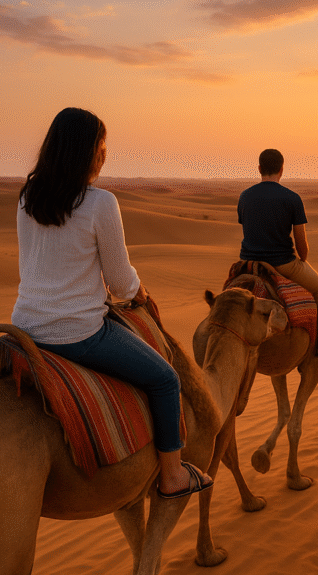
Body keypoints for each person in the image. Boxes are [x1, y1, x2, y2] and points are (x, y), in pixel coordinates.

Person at [11, 107, 213, 498]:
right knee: (166, 379)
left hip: (25, 327)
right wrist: (140, 291)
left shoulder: (28, 198)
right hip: (79, 333)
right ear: (85, 152)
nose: (105, 155)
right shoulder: (100, 203)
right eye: (101, 146)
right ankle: (172, 476)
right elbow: (120, 282)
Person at [237, 148, 318, 357]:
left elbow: (248, 228)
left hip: (247, 262)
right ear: (282, 169)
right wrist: (303, 259)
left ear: (259, 169)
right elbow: (302, 244)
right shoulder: (292, 198)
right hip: (281, 263)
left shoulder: (245, 196)